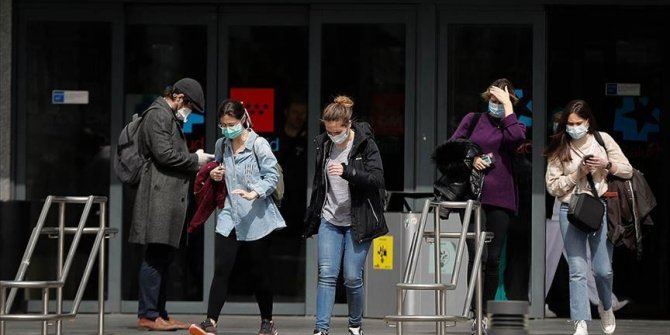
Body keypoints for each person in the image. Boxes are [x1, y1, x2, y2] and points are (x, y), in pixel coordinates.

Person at [189, 99, 285, 335]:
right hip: (230, 215)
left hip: (257, 217)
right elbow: (219, 169)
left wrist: (256, 191)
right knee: (222, 268)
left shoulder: (258, 145)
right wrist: (215, 173)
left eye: (231, 124)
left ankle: (267, 321)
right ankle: (210, 322)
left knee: (259, 272)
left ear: (242, 120)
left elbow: (272, 176)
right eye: (223, 125)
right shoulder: (222, 144)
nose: (227, 129)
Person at [130, 77, 214, 331]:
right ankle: (148, 314)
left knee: (164, 257)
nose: (188, 112)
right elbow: (164, 154)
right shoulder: (158, 115)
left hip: (167, 196)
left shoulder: (169, 116)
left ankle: (160, 313)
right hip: (158, 196)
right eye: (188, 105)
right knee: (155, 256)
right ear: (178, 97)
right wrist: (195, 160)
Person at [545, 99, 632, 335]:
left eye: (578, 123)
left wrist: (607, 164)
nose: (574, 128)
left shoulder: (602, 140)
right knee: (577, 268)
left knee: (603, 270)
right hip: (570, 210)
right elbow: (553, 187)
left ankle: (606, 307)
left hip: (599, 208)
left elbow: (627, 170)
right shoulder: (559, 146)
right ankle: (580, 321)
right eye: (570, 124)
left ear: (588, 122)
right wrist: (577, 173)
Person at [303, 96, 388, 335]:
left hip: (358, 220)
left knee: (352, 277)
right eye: (328, 131)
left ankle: (355, 324)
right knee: (327, 275)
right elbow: (320, 185)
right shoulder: (324, 145)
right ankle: (321, 329)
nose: (333, 135)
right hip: (330, 219)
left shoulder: (365, 145)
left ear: (348, 125)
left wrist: (347, 171)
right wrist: (312, 219)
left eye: (337, 131)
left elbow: (377, 179)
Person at [448, 78, 526, 333]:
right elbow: (451, 150)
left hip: (501, 200)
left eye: (501, 102)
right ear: (486, 99)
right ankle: (475, 312)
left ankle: (485, 313)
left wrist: (508, 109)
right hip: (473, 197)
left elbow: (517, 139)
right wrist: (471, 161)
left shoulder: (511, 124)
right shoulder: (473, 119)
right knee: (476, 256)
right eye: (493, 101)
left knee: (493, 260)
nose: (496, 106)